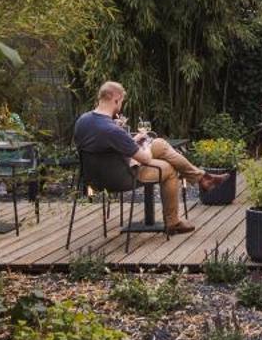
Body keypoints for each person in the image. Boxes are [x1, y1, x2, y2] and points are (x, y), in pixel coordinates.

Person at [72, 81, 227, 235]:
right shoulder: (112, 129)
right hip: (123, 177)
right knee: (169, 168)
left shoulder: (82, 121)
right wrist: (142, 145)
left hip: (94, 178)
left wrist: (132, 141)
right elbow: (145, 159)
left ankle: (202, 178)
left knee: (159, 144)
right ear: (116, 99)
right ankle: (173, 222)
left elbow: (106, 149)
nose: (121, 106)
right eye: (122, 102)